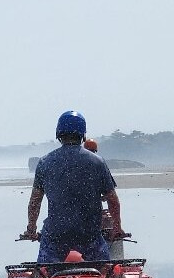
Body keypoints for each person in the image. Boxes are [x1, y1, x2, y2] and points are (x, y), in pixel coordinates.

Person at [20, 110, 127, 262]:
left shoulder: (45, 163)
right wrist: (117, 228)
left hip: (55, 238)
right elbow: (112, 200)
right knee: (105, 268)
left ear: (58, 134)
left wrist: (31, 229)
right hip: (89, 237)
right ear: (83, 134)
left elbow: (35, 201)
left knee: (43, 269)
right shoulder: (97, 162)